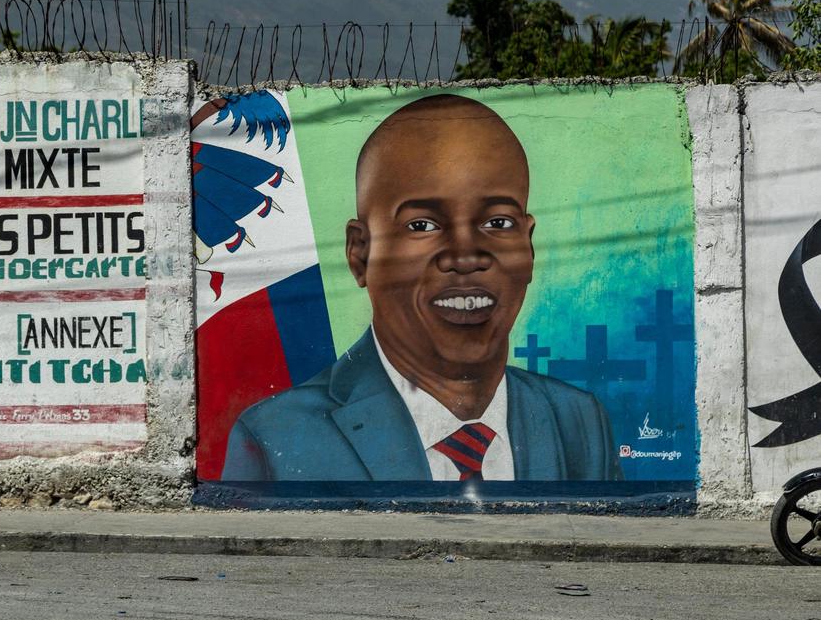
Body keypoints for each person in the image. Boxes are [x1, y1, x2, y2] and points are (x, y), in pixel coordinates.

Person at [221, 94, 622, 481]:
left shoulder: (578, 422)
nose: (465, 257)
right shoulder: (278, 438)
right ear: (359, 254)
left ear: (528, 247)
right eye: (422, 225)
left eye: (498, 222)